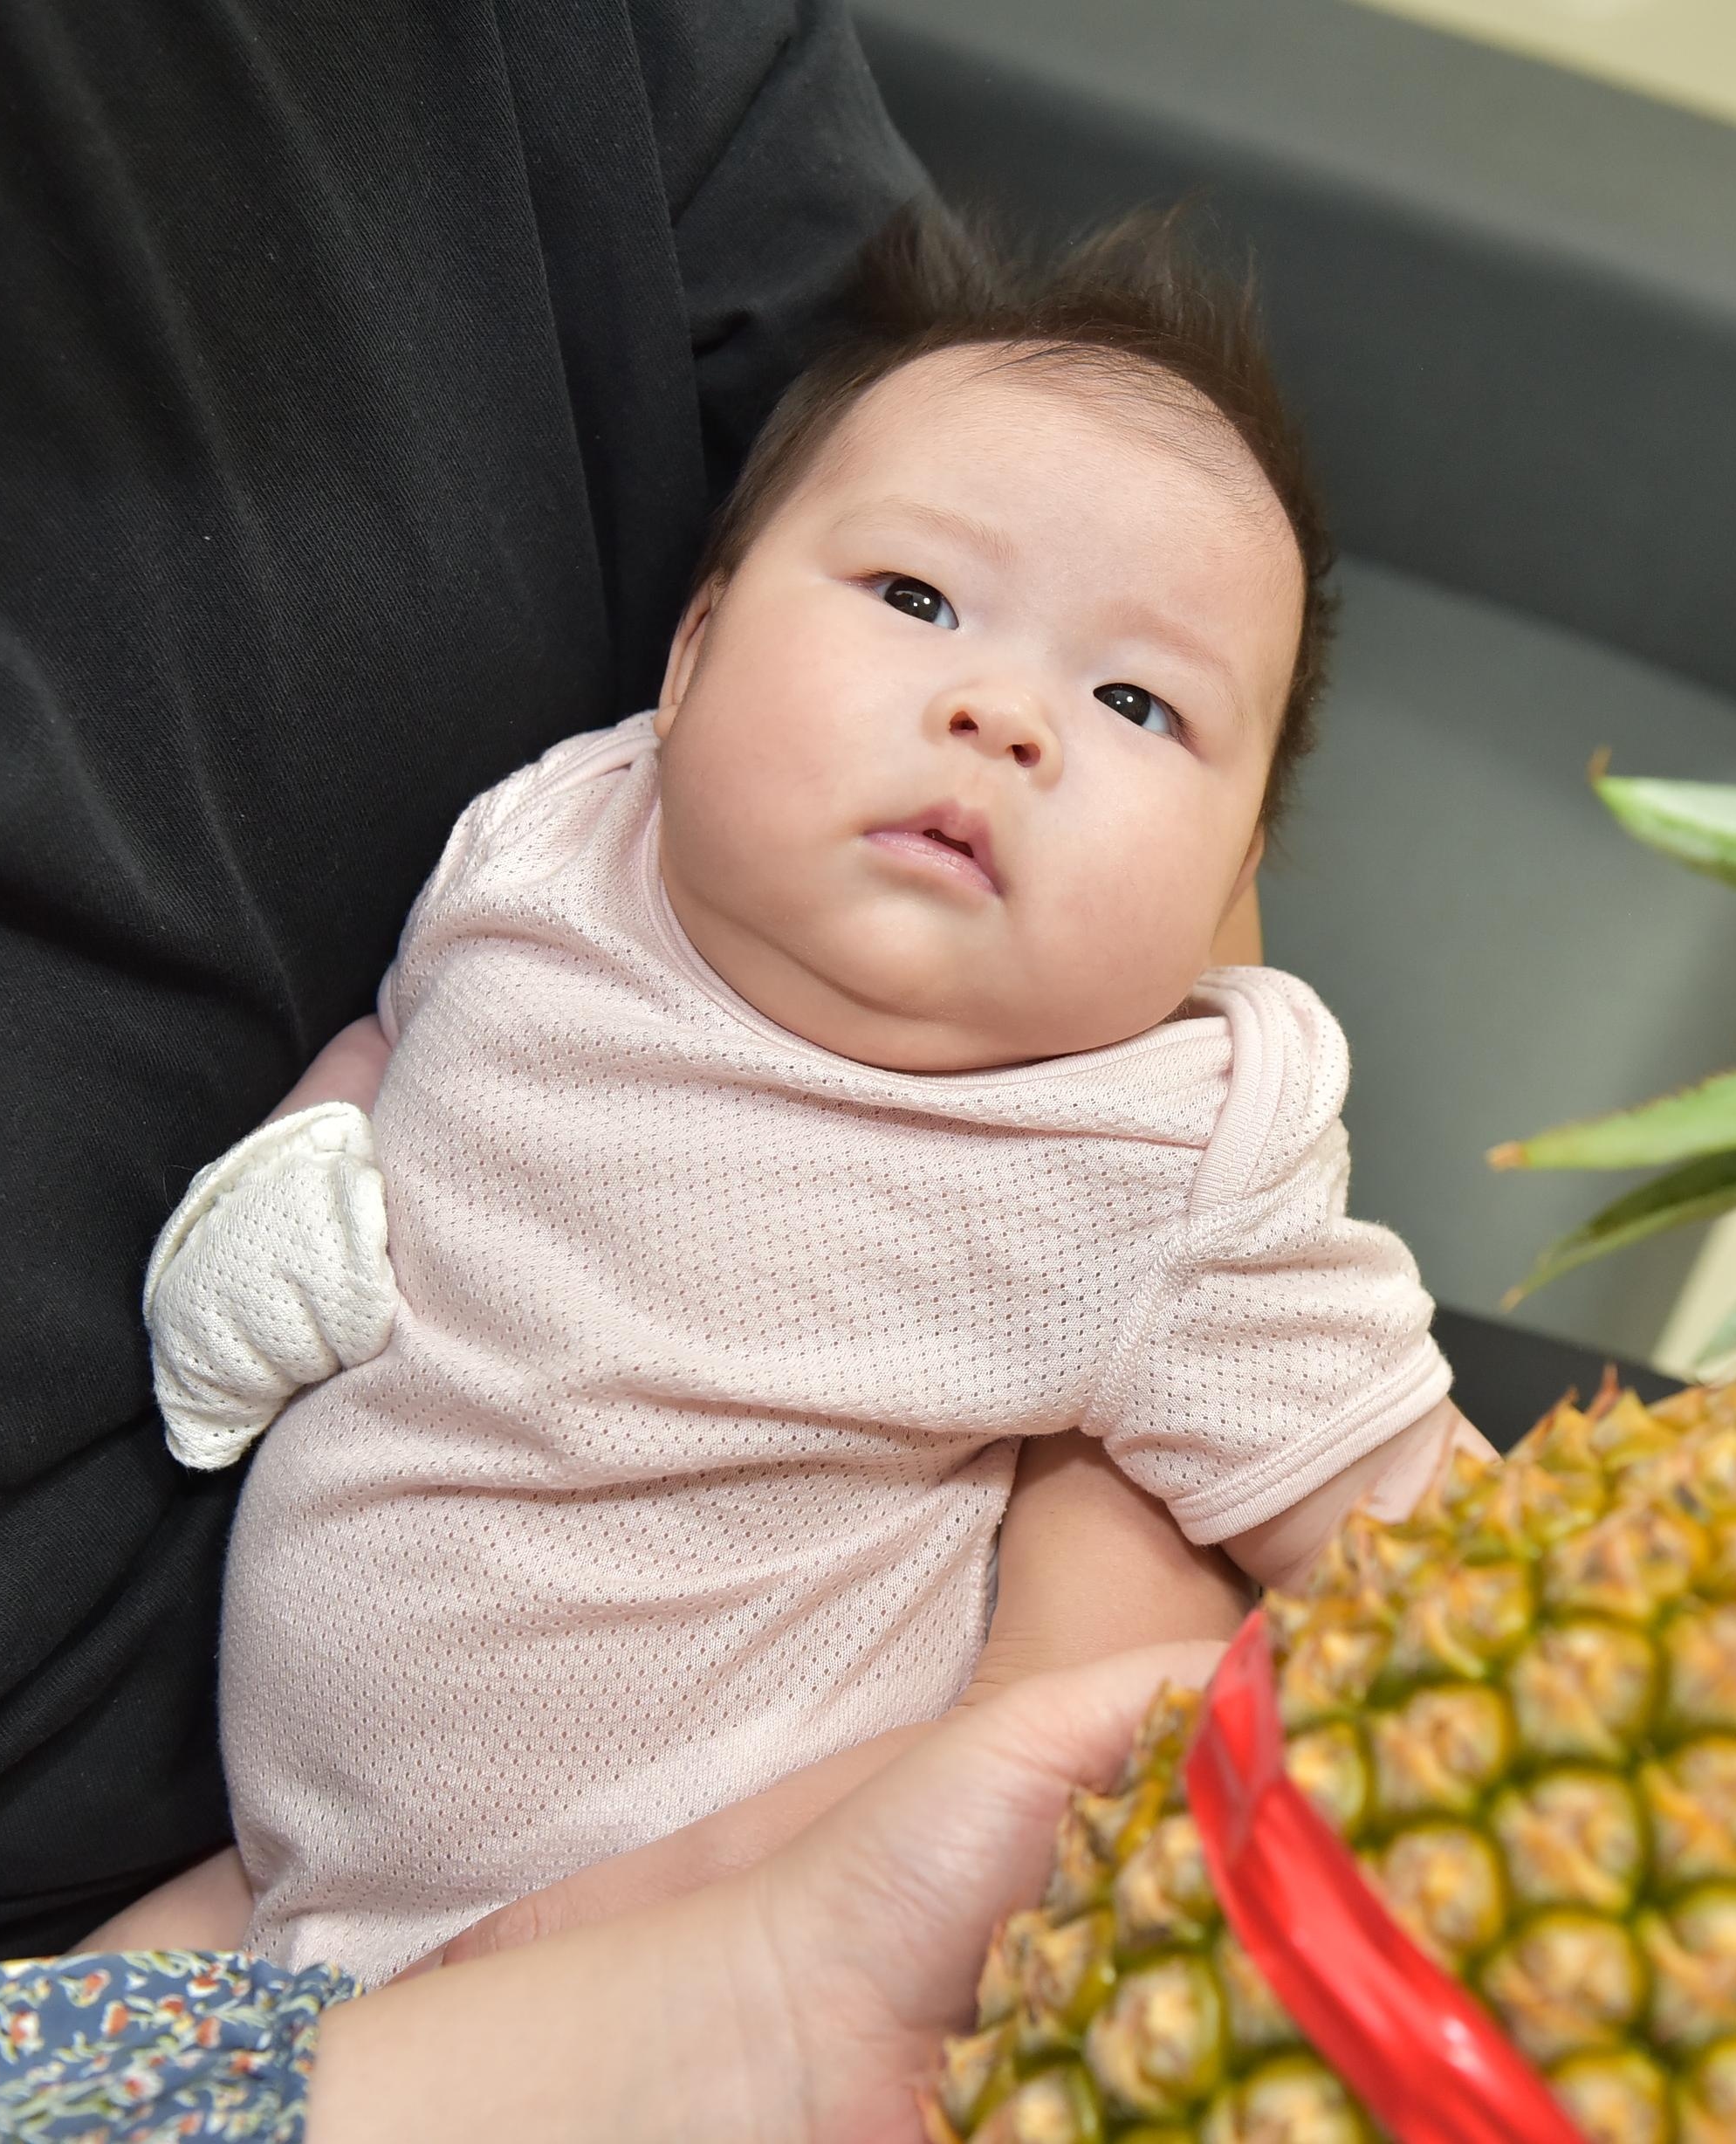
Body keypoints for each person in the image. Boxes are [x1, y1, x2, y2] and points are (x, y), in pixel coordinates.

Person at [0, 0, 1240, 2113]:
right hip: (127, 2036)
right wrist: (655, 2009)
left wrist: (1070, 1681)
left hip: (1047, 1700)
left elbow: (1099, 581)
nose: (1006, 719)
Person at [134, 213, 1492, 1983]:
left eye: (1140, 700)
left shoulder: (1154, 1160)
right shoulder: (558, 838)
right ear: (691, 656)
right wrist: (309, 1151)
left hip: (712, 1964)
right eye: (918, 600)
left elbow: (1430, 1527)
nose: (1006, 714)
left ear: (1229, 883)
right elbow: (422, 1025)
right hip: (279, 1881)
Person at [0, 1640, 1225, 2141]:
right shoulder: (544, 848)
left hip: (259, 1976)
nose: (1013, 731)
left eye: (1137, 727)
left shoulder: (1191, 1095)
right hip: (283, 1926)